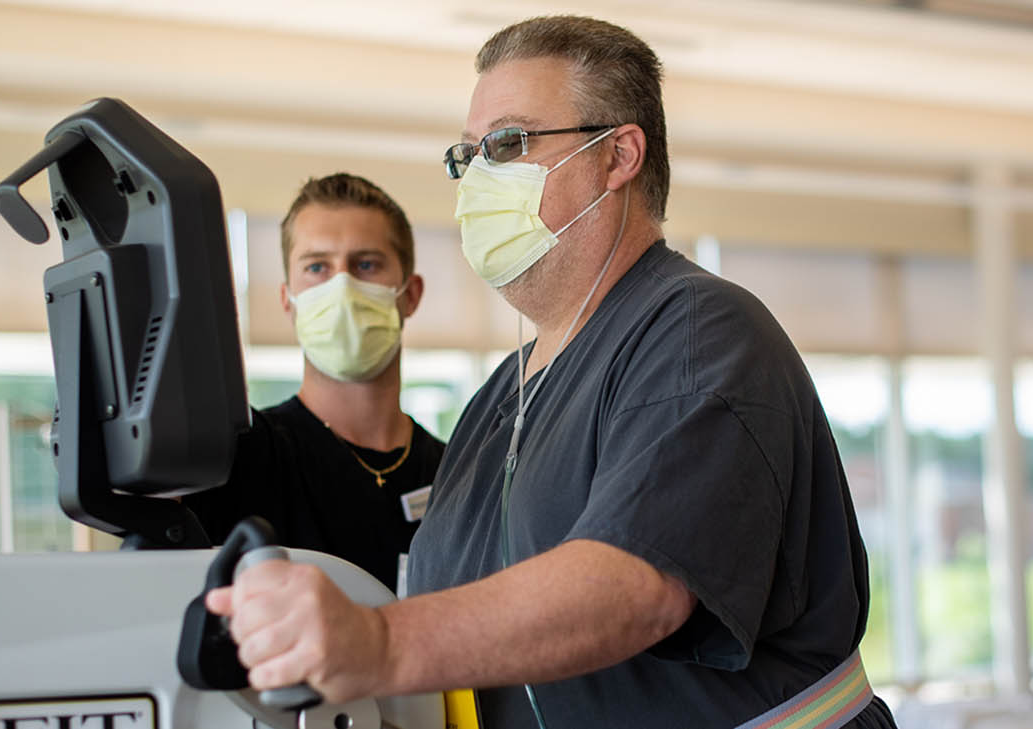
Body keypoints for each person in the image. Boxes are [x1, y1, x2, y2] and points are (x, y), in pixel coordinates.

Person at [208, 16, 897, 729]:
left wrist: (380, 642)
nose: (477, 179)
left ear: (617, 155)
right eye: (467, 156)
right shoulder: (496, 403)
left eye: (507, 144)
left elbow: (634, 586)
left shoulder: (695, 332)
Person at [185, 173, 444, 594]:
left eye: (366, 264)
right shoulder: (240, 456)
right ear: (289, 300)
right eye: (317, 267)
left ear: (410, 294)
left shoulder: (455, 474)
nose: (341, 285)